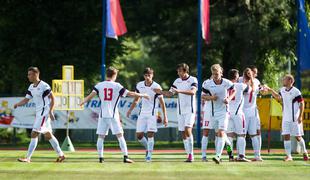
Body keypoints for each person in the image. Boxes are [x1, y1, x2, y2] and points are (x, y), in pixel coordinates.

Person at [79, 67, 150, 163]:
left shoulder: (99, 85)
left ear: (106, 75)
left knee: (101, 137)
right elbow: (130, 94)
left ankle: (101, 158)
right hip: (113, 114)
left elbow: (91, 95)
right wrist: (142, 95)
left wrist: (83, 101)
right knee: (120, 136)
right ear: (114, 75)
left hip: (103, 115)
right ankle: (125, 157)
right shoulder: (117, 86)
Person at [14, 67, 65, 163]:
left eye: (30, 74)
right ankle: (61, 155)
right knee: (48, 135)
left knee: (34, 133)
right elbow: (26, 99)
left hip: (43, 113)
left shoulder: (44, 86)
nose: (28, 76)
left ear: (36, 74)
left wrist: (50, 111)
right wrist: (18, 104)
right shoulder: (31, 87)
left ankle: (28, 158)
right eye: (28, 74)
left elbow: (53, 99)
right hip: (39, 114)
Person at [154, 63, 197, 162]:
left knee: (187, 130)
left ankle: (191, 155)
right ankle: (188, 154)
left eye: (180, 71)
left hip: (190, 109)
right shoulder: (177, 81)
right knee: (182, 132)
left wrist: (179, 91)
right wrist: (160, 92)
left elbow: (193, 92)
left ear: (185, 71)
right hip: (180, 110)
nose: (178, 72)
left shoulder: (193, 79)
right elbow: (170, 93)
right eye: (178, 71)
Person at [127, 67, 168, 162]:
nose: (147, 77)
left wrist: (165, 117)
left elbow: (162, 103)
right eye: (145, 75)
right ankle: (147, 148)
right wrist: (130, 110)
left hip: (153, 114)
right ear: (143, 76)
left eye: (149, 75)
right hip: (142, 113)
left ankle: (149, 155)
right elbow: (136, 99)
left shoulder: (157, 87)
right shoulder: (139, 85)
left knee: (150, 134)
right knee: (139, 135)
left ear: (152, 75)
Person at [265, 75, 309, 161]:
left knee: (298, 137)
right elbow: (278, 97)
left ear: (290, 81)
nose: (282, 80)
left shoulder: (296, 91)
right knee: (286, 136)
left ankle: (305, 153)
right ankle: (289, 156)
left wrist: (300, 116)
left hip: (294, 118)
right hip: (285, 118)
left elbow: (302, 103)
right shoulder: (282, 90)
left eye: (284, 79)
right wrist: (270, 91)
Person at [201, 64, 235, 164]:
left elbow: (234, 91)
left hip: (224, 112)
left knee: (220, 133)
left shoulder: (227, 82)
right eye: (213, 74)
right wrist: (211, 98)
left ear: (221, 73)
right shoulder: (207, 83)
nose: (215, 76)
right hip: (212, 113)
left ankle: (218, 156)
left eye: (217, 74)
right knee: (221, 135)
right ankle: (230, 152)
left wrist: (228, 98)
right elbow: (203, 96)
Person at [226, 69, 251, 162]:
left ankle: (230, 156)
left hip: (228, 114)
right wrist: (246, 80)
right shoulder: (241, 85)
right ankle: (241, 155)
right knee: (241, 135)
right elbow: (249, 89)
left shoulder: (225, 85)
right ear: (236, 77)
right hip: (238, 113)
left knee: (229, 137)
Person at [242, 67, 264, 161]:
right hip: (251, 111)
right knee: (253, 134)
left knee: (238, 135)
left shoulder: (240, 82)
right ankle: (257, 155)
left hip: (240, 111)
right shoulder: (255, 82)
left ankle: (239, 155)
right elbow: (261, 90)